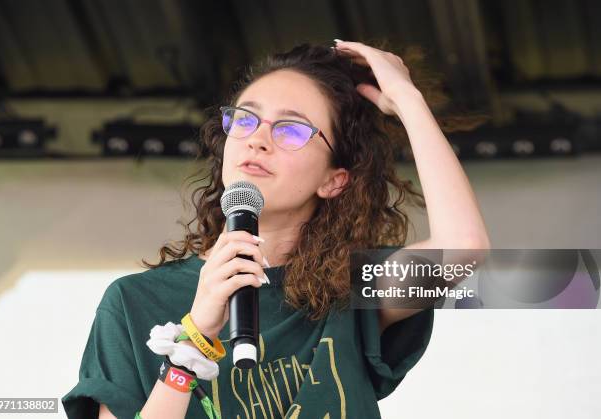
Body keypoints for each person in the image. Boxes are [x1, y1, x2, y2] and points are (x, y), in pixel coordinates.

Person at [62, 39, 489, 418]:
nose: (258, 139)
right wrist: (193, 340)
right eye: (246, 120)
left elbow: (463, 247)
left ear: (334, 179)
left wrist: (407, 101)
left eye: (291, 129)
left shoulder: (350, 290)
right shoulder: (135, 302)